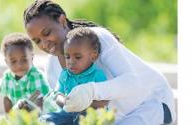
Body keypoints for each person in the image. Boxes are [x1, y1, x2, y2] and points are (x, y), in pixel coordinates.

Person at [23, 0, 176, 124]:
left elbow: (131, 83)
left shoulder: (97, 39)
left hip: (151, 104)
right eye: (37, 41)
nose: (44, 44)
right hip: (112, 118)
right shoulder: (52, 66)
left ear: (62, 20)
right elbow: (63, 103)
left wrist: (91, 91)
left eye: (47, 33)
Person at [41, 27, 109, 125]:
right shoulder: (65, 74)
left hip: (90, 114)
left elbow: (104, 102)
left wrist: (83, 104)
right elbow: (57, 94)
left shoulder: (97, 75)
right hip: (68, 113)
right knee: (45, 119)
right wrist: (64, 101)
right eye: (67, 57)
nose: (71, 62)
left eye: (78, 57)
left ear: (93, 56)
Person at [0, 33, 50, 113]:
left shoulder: (36, 76)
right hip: (21, 114)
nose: (19, 65)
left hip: (41, 114)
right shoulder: (7, 76)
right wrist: (9, 118)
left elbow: (39, 102)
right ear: (7, 62)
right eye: (13, 61)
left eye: (24, 60)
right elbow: (7, 99)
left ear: (32, 58)